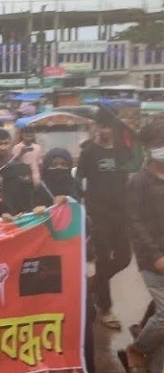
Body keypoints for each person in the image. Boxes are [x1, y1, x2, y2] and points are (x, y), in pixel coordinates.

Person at [77, 111, 131, 330]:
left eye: (109, 126)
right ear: (96, 127)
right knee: (103, 260)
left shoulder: (122, 151)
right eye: (102, 126)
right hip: (99, 216)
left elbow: (127, 181)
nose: (106, 130)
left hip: (121, 214)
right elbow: (78, 180)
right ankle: (105, 308)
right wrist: (84, 207)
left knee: (125, 258)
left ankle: (94, 283)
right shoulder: (88, 152)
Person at [125, 114, 164, 372]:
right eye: (159, 143)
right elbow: (136, 224)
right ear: (148, 147)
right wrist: (156, 256)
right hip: (154, 259)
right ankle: (138, 348)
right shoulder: (137, 182)